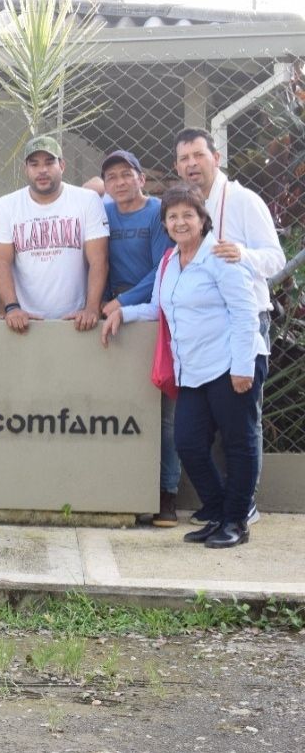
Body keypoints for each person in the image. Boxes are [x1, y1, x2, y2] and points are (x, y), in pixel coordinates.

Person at [102, 187, 267, 549]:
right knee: (189, 443)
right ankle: (219, 511)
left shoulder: (222, 257)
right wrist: (122, 313)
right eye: (172, 217)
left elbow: (244, 314)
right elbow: (157, 308)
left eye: (187, 215)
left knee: (239, 443)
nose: (180, 222)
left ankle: (236, 520)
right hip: (191, 368)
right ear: (165, 223)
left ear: (202, 219)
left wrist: (243, 367)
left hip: (230, 364)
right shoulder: (168, 261)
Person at [174, 127, 286, 526]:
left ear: (215, 158)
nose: (191, 164)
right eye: (184, 158)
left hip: (245, 318)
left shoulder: (242, 200)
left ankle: (242, 508)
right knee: (198, 431)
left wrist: (243, 255)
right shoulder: (187, 208)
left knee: (239, 424)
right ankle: (223, 503)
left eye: (198, 156)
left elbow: (275, 258)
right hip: (205, 330)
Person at [98, 149, 179, 527]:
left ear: (141, 178)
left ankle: (167, 493)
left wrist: (121, 302)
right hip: (113, 318)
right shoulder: (103, 211)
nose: (119, 182)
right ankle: (123, 490)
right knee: (116, 410)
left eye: (126, 174)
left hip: (153, 314)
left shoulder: (159, 213)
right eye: (111, 177)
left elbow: (161, 270)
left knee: (162, 411)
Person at [0, 135, 109, 334]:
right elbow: (1, 262)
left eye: (49, 162)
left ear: (62, 165)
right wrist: (12, 307)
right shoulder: (6, 205)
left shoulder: (87, 201)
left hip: (75, 319)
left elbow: (99, 260)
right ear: (25, 169)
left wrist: (91, 308)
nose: (42, 170)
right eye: (34, 164)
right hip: (25, 319)